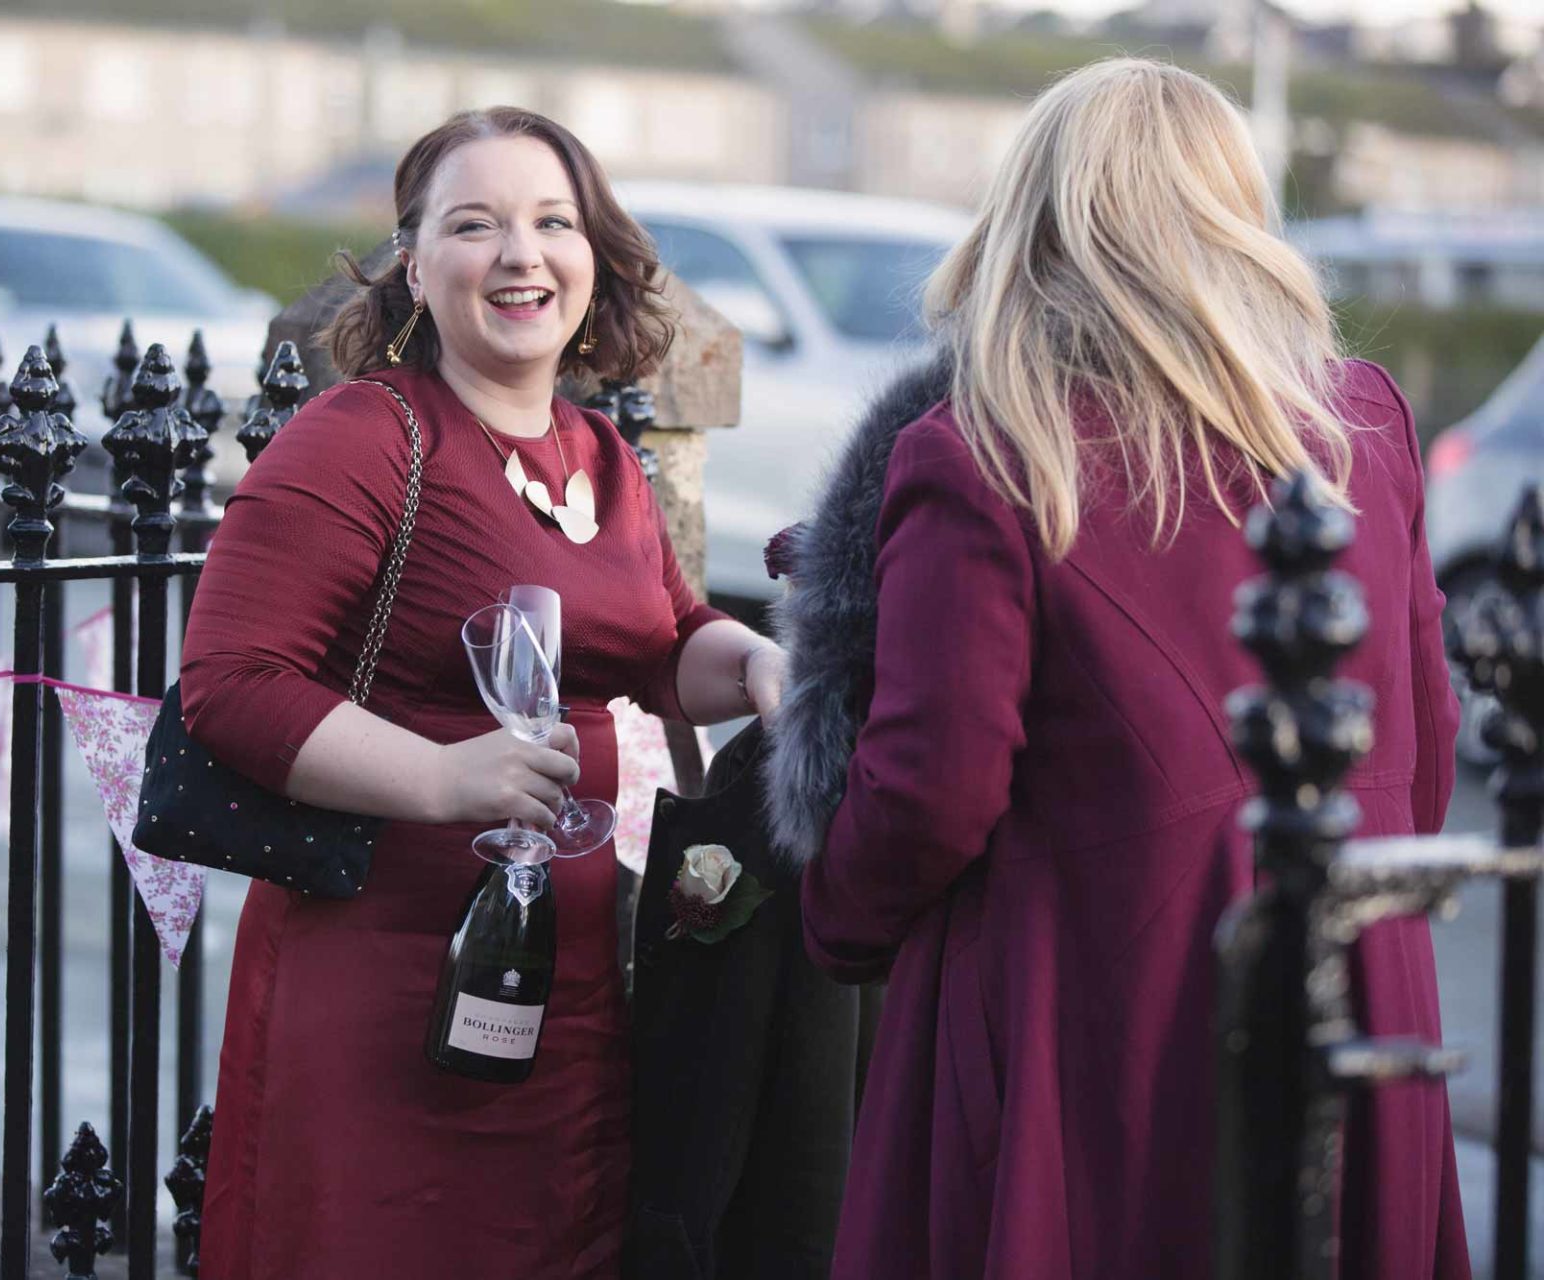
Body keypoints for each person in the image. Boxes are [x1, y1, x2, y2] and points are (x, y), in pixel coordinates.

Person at [765, 59, 1466, 1279]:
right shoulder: (1360, 420)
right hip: (1347, 968)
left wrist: (835, 912)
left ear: (1033, 217)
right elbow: (1427, 735)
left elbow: (933, 783)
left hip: (1083, 997)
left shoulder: (991, 443)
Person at [180, 106, 786, 1280]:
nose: (521, 253)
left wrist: (757, 662)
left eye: (552, 221)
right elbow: (229, 683)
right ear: (416, 262)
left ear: (594, 253)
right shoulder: (360, 436)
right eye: (477, 224)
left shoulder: (601, 453)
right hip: (381, 985)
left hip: (566, 993)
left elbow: (661, 645)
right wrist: (442, 775)